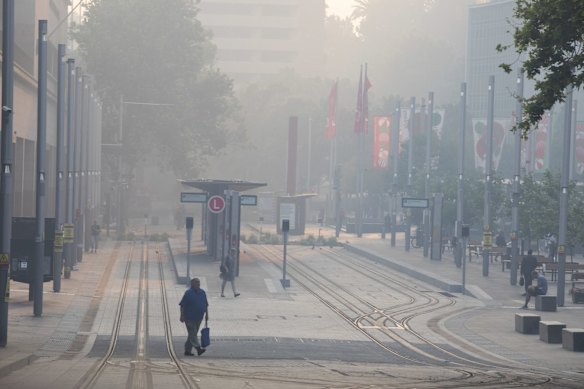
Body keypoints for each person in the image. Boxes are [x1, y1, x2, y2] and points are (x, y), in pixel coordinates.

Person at [179, 278, 209, 356]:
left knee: (192, 334)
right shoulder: (188, 293)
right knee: (193, 333)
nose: (198, 284)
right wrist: (182, 315)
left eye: (199, 282)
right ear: (192, 284)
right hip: (189, 317)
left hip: (199, 317)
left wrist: (207, 315)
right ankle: (198, 349)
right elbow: (182, 305)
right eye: (196, 282)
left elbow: (206, 304)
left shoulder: (202, 292)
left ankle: (187, 351)